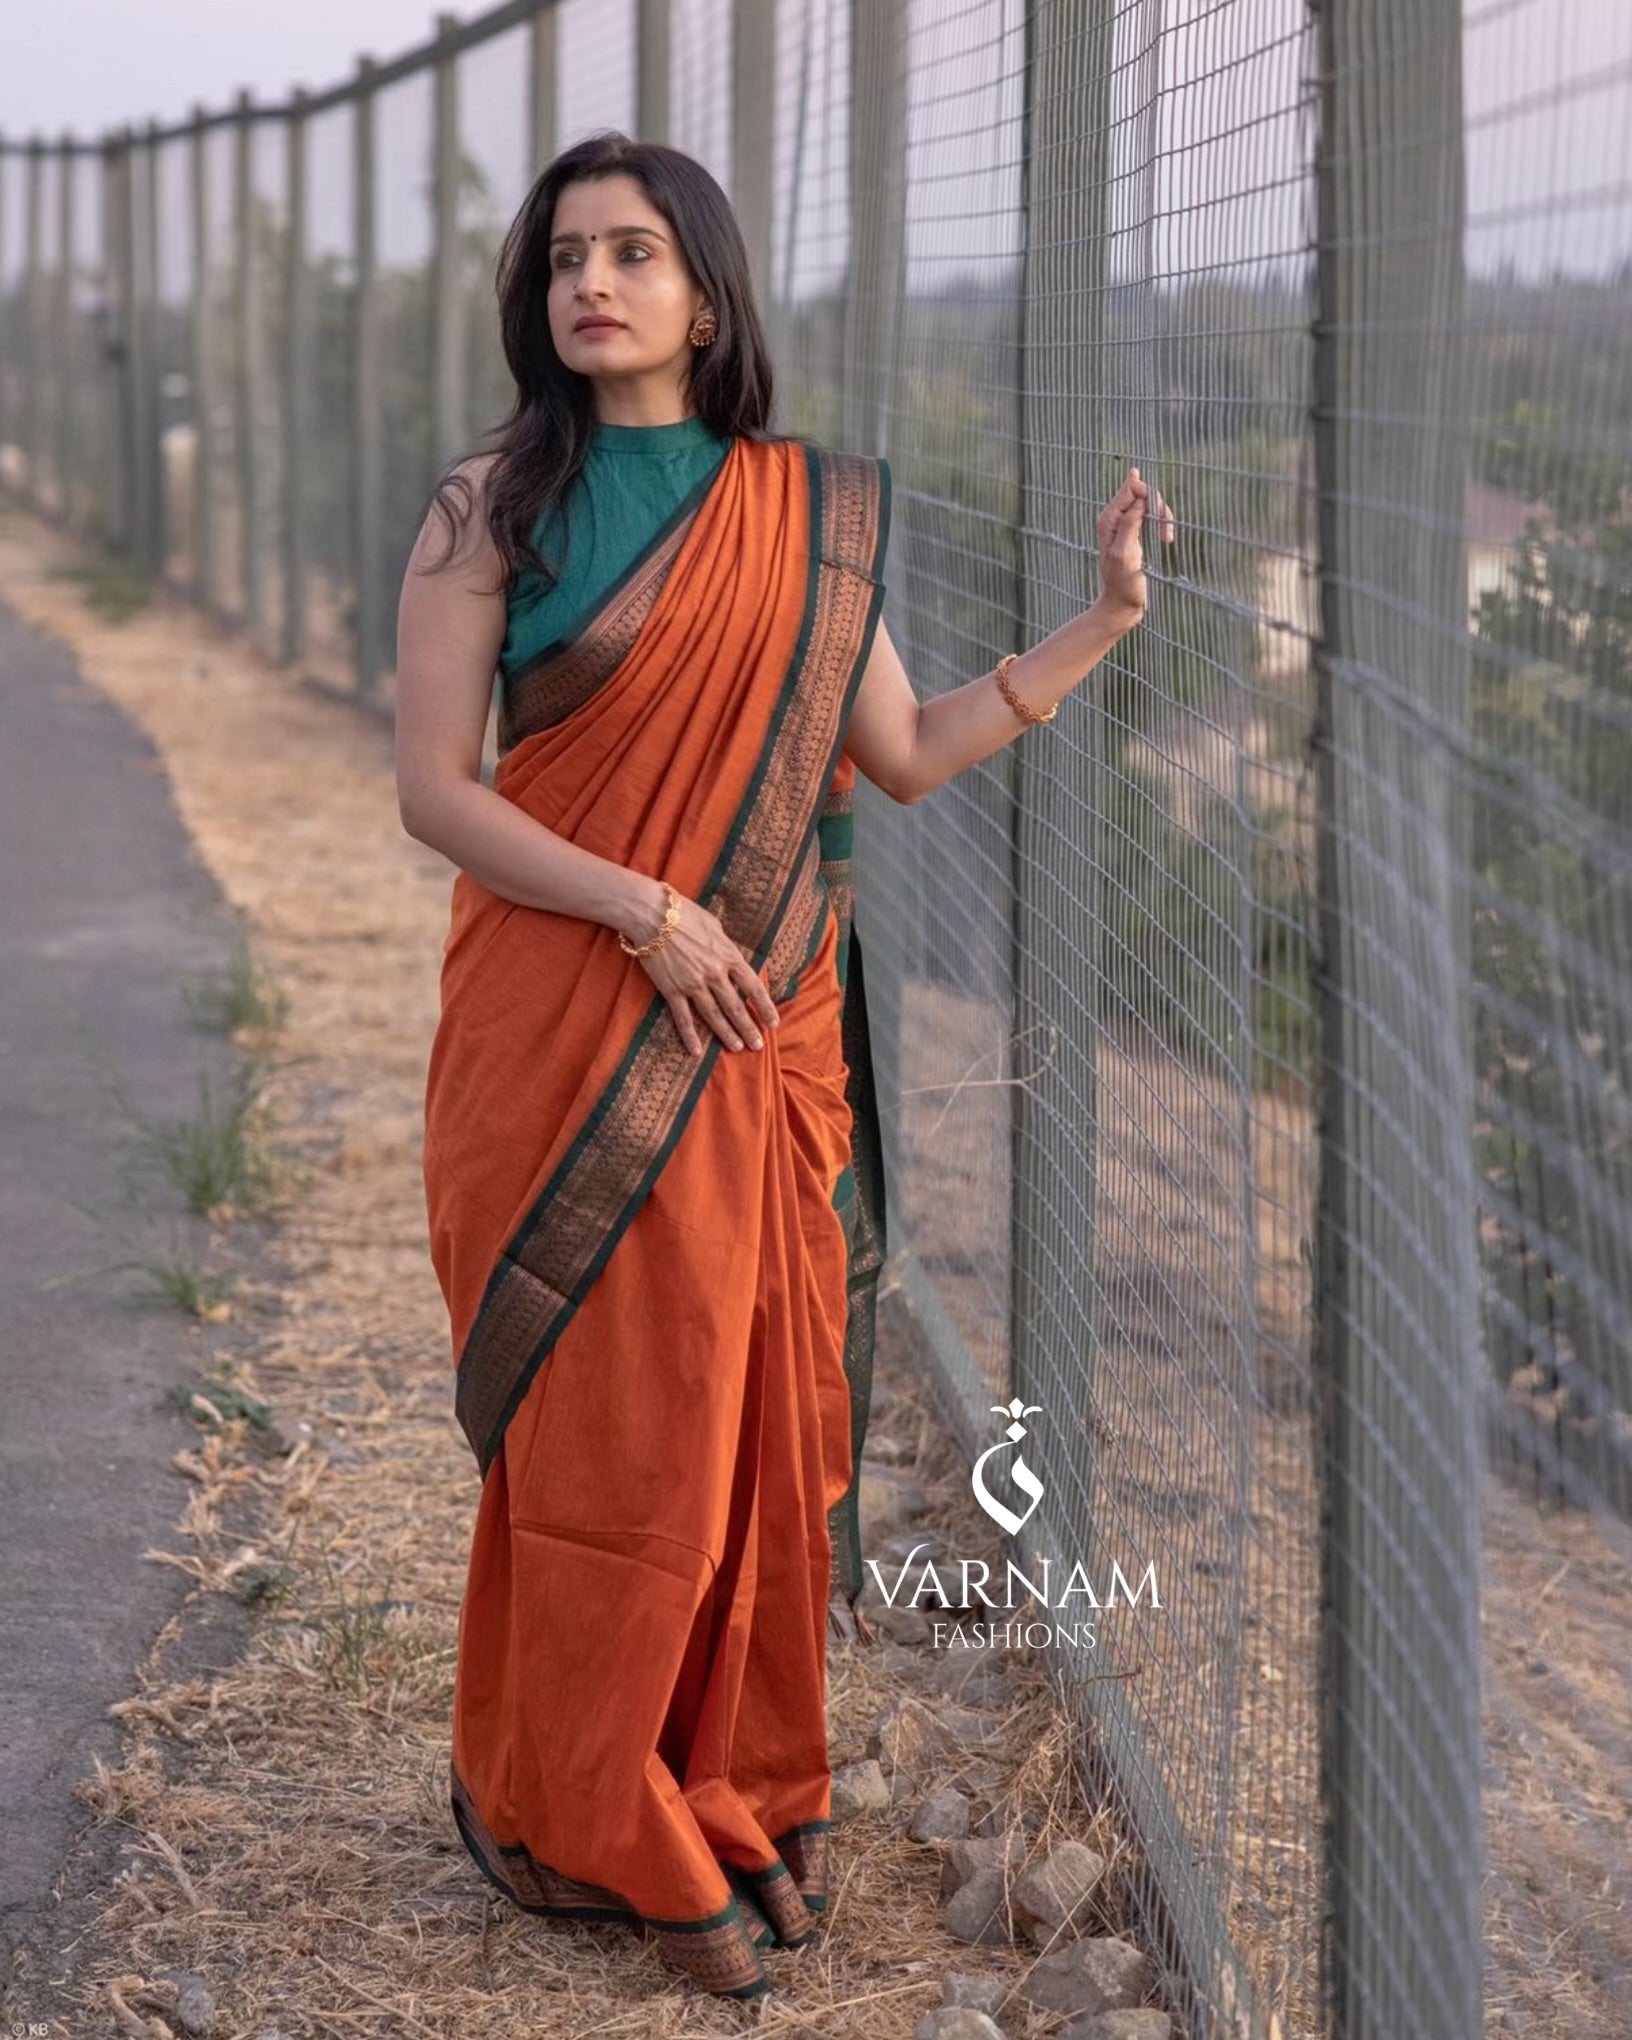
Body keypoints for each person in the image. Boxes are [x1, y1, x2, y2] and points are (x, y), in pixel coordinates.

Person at [394, 130, 1173, 2006]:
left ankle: (716, 1780)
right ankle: (592, 1803)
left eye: (634, 254)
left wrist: (1102, 627)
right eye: (568, 256)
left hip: (760, 1036)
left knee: (743, 1422)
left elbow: (902, 750)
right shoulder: (486, 506)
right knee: (609, 1429)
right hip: (568, 1024)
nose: (593, 282)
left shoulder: (805, 517)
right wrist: (651, 913)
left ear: (708, 294)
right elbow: (436, 794)